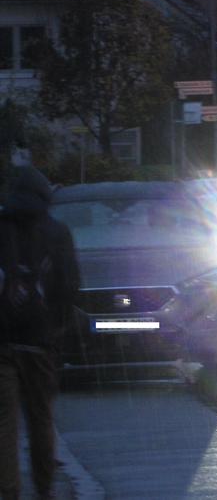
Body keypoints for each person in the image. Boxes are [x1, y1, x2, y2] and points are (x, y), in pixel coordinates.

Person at [0, 167, 80, 500]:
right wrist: (56, 327)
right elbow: (70, 286)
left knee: (4, 424)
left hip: (1, 342)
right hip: (41, 342)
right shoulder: (57, 232)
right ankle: (44, 489)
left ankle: (8, 491)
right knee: (41, 419)